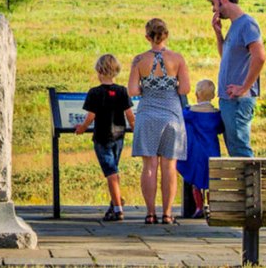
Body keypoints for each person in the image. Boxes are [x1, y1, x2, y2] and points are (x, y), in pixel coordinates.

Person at [128, 18, 190, 225]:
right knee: (169, 166)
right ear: (166, 35)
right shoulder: (177, 59)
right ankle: (168, 213)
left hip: (147, 115)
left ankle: (150, 212)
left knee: (149, 166)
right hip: (171, 114)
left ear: (147, 37)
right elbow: (184, 89)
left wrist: (149, 86)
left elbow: (133, 91)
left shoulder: (139, 60)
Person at [207, 0, 266, 157]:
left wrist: (244, 88)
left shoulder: (247, 24)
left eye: (214, 3)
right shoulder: (235, 25)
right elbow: (225, 55)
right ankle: (244, 185)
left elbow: (260, 56)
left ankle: (252, 185)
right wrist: (218, 34)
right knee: (234, 149)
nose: (213, 10)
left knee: (240, 150)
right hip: (230, 99)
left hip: (238, 100)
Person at [74, 54, 135, 222]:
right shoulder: (122, 91)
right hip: (119, 136)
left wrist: (82, 128)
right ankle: (116, 200)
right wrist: (136, 128)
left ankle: (117, 209)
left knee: (111, 172)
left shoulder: (95, 92)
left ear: (99, 71)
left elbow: (90, 116)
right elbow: (130, 115)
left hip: (102, 137)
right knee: (114, 169)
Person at [176, 79, 225, 218]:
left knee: (196, 181)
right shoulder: (216, 114)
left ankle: (199, 207)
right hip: (212, 150)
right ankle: (211, 206)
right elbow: (220, 128)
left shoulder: (191, 113)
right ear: (214, 95)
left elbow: (180, 117)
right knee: (212, 180)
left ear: (197, 95)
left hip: (197, 152)